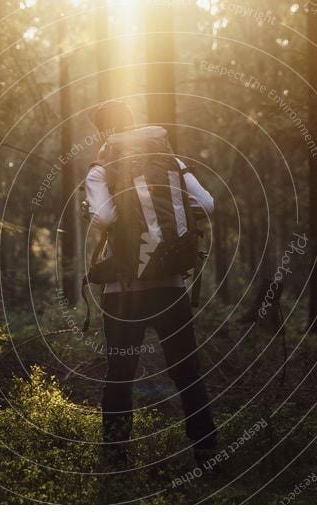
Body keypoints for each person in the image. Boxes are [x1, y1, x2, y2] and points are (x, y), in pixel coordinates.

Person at [84, 100, 218, 470]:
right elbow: (207, 203)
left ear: (104, 132)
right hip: (171, 286)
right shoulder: (169, 161)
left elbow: (104, 216)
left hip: (124, 293)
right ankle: (208, 453)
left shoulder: (101, 168)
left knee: (120, 375)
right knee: (187, 371)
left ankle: (115, 459)